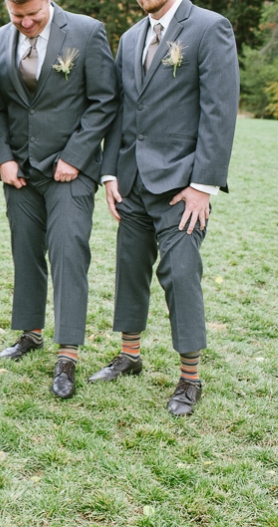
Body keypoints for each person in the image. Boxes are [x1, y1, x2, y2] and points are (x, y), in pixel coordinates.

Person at [91, 0, 239, 416]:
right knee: (129, 267)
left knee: (181, 274)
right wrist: (110, 173)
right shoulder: (132, 36)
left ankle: (190, 379)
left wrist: (202, 186)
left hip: (182, 186)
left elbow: (219, 109)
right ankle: (129, 356)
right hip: (132, 181)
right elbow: (123, 110)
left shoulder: (211, 28)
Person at [0, 0, 117, 399]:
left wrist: (75, 155)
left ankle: (68, 354)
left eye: (34, 16)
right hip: (20, 172)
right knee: (25, 252)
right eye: (16, 16)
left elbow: (104, 101)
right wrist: (2, 157)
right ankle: (31, 333)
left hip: (70, 172)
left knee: (68, 252)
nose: (25, 24)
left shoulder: (86, 32)